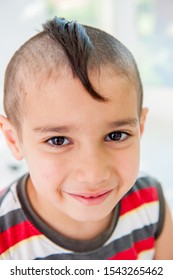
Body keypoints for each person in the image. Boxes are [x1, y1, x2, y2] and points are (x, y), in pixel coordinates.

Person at [0, 17, 173, 260]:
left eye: (116, 135)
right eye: (58, 140)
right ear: (13, 139)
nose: (93, 174)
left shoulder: (151, 203)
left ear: (140, 127)